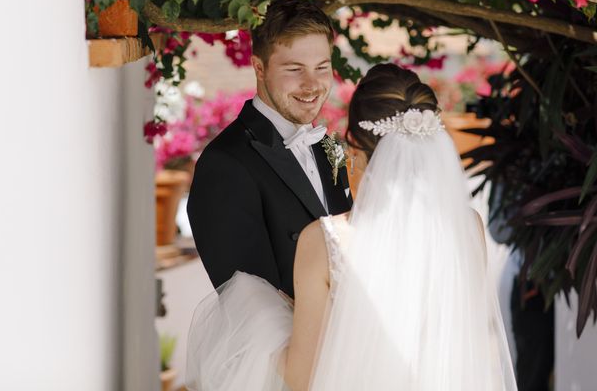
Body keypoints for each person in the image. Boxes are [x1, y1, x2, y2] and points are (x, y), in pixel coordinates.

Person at [186, 63, 518, 391]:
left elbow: (303, 378)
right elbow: (478, 340)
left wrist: (258, 315)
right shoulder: (468, 228)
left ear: (356, 151)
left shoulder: (326, 240)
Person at [187, 0, 353, 299]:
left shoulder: (326, 147)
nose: (313, 84)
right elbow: (252, 309)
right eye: (295, 69)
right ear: (259, 68)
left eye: (322, 67)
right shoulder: (225, 165)